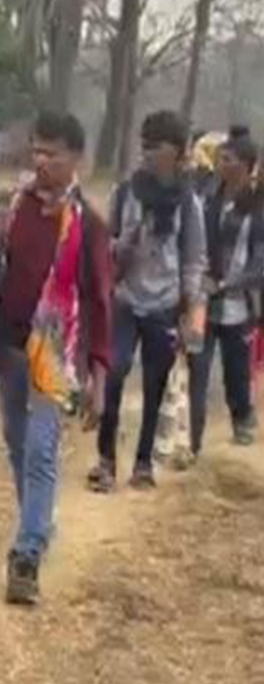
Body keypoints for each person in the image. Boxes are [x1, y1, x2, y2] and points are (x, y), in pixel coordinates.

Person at [0, 111, 112, 605]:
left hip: (55, 354)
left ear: (76, 158)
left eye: (52, 153)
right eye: (36, 150)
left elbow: (99, 300)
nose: (41, 161)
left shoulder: (89, 223)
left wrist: (99, 375)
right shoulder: (12, 207)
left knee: (41, 449)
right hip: (8, 344)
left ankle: (27, 554)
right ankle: (37, 522)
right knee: (17, 444)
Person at [88, 110, 207, 492]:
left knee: (156, 383)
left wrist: (190, 310)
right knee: (115, 372)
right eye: (145, 144)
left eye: (157, 145)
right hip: (125, 298)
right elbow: (106, 247)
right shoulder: (125, 193)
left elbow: (194, 260)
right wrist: (123, 245)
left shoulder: (188, 203)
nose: (149, 152)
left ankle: (143, 463)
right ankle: (105, 459)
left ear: (178, 152)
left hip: (165, 304)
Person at [190, 132, 264, 453]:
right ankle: (191, 439)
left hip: (239, 305)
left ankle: (242, 418)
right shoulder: (207, 198)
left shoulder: (258, 208)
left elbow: (260, 264)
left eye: (227, 159)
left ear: (245, 166)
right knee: (197, 371)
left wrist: (226, 285)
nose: (219, 163)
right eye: (219, 157)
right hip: (202, 301)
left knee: (235, 373)